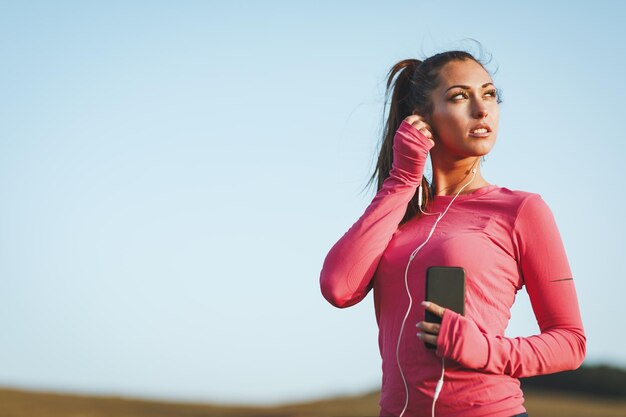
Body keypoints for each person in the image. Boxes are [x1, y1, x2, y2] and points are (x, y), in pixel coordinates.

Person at [318, 50, 586, 417]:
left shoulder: (522, 210)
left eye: (490, 94)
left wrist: (484, 349)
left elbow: (570, 343)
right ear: (422, 120)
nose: (482, 109)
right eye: (460, 96)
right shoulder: (397, 213)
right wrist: (402, 180)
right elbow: (338, 287)